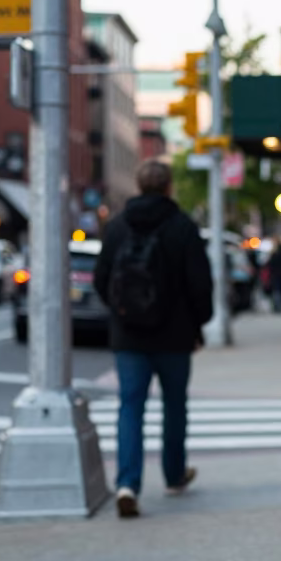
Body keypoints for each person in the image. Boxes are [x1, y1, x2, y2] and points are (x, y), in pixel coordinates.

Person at [94, 160, 213, 518]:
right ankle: (174, 475)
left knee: (130, 407)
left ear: (138, 185)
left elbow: (101, 279)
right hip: (175, 338)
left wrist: (122, 314)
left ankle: (128, 484)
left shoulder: (116, 227)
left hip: (129, 338)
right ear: (168, 187)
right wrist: (198, 324)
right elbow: (200, 285)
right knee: (174, 407)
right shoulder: (182, 227)